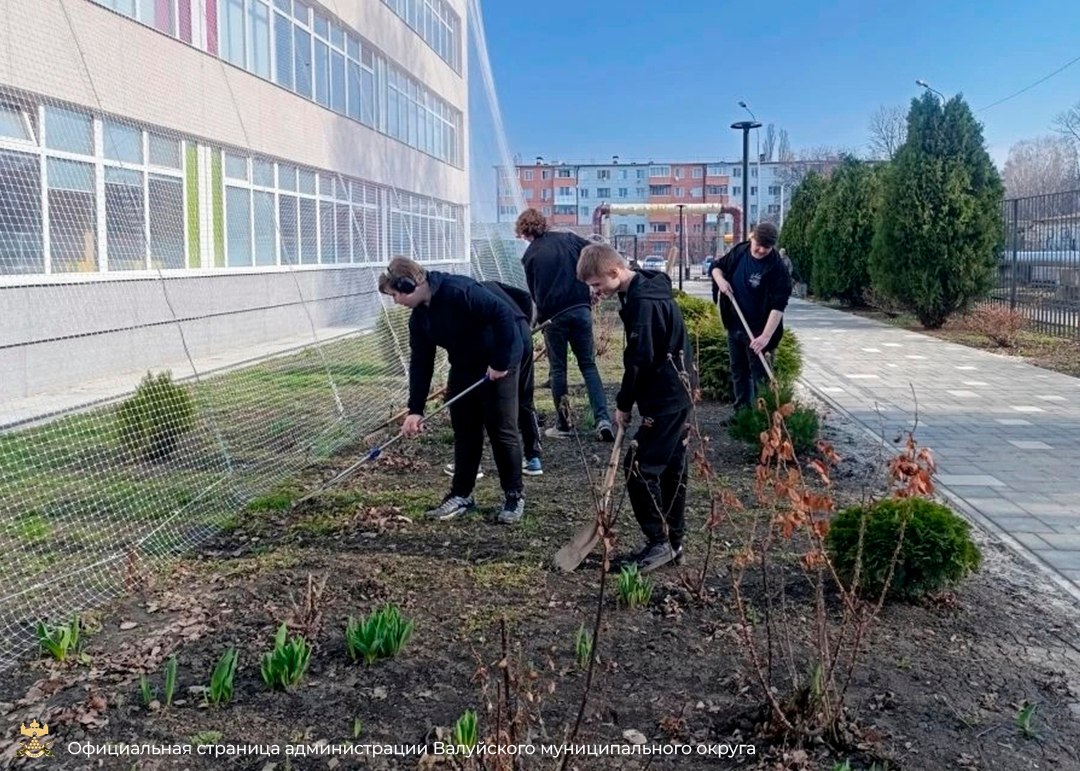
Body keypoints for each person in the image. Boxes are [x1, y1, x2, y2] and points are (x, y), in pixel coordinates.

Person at [378, 257, 527, 524]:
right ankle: (461, 495)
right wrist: (415, 409)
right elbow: (421, 364)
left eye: (396, 294)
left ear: (411, 284)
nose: (396, 301)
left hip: (500, 359)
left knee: (501, 430)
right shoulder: (420, 320)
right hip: (464, 366)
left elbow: (504, 315)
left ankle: (514, 496)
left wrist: (500, 363)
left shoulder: (460, 291)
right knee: (464, 430)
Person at [576, 242, 695, 573]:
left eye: (597, 285)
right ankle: (674, 543)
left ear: (615, 272)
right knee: (671, 468)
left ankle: (659, 542)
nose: (595, 291)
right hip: (676, 389)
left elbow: (640, 359)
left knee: (639, 467)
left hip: (667, 395)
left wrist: (624, 403)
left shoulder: (642, 302)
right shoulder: (643, 286)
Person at [515, 208, 614, 442]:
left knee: (558, 371)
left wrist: (533, 323)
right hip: (581, 310)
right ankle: (603, 420)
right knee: (588, 366)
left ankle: (565, 423)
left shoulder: (529, 257)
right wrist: (594, 287)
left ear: (524, 232)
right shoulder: (568, 239)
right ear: (543, 224)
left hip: (553, 318)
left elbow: (535, 295)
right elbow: (592, 252)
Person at [443, 280, 543, 478]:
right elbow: (524, 296)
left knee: (480, 404)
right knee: (524, 397)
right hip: (522, 334)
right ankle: (533, 457)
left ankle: (474, 465)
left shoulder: (464, 297)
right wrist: (526, 323)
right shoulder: (490, 286)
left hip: (502, 342)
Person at [709, 222, 793, 411]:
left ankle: (762, 420)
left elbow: (778, 307)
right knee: (739, 371)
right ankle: (741, 415)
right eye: (759, 245)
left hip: (758, 332)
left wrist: (765, 337)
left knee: (760, 378)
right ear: (751, 238)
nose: (762, 250)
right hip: (735, 325)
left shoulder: (777, 269)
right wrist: (721, 281)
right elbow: (716, 267)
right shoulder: (740, 251)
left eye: (767, 247)